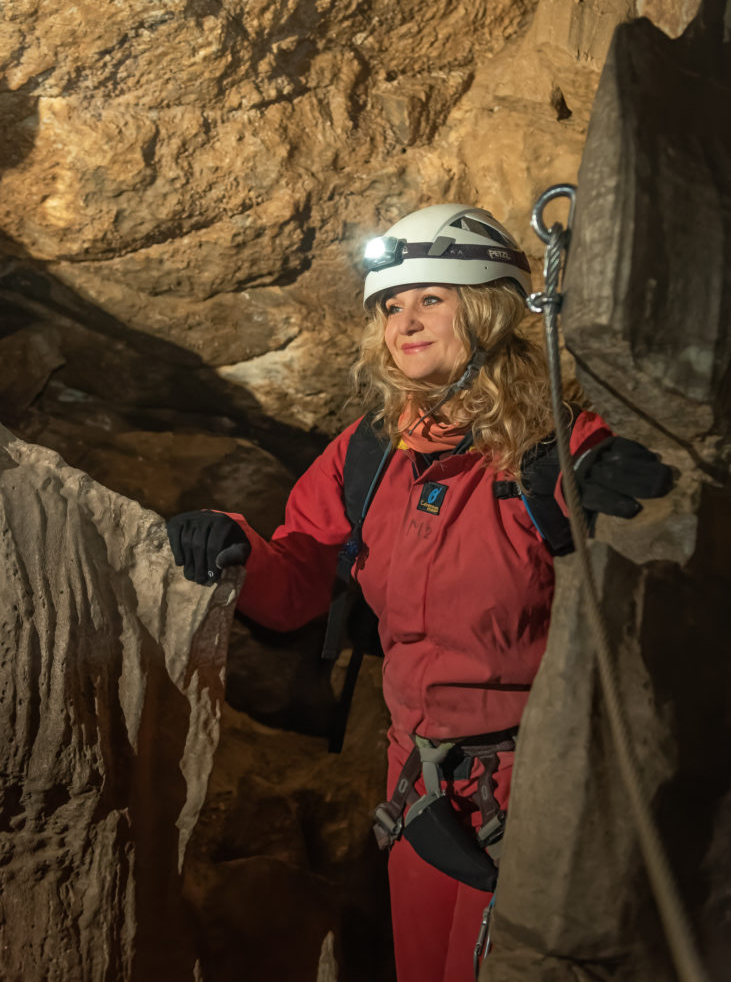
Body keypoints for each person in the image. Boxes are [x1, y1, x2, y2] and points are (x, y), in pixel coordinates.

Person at [167, 203, 672, 982]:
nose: (405, 320)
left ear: (484, 307)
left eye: (430, 298)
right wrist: (236, 543)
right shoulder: (369, 453)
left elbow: (654, 575)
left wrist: (601, 486)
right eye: (391, 306)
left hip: (535, 781)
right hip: (416, 784)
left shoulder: (556, 448)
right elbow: (299, 580)